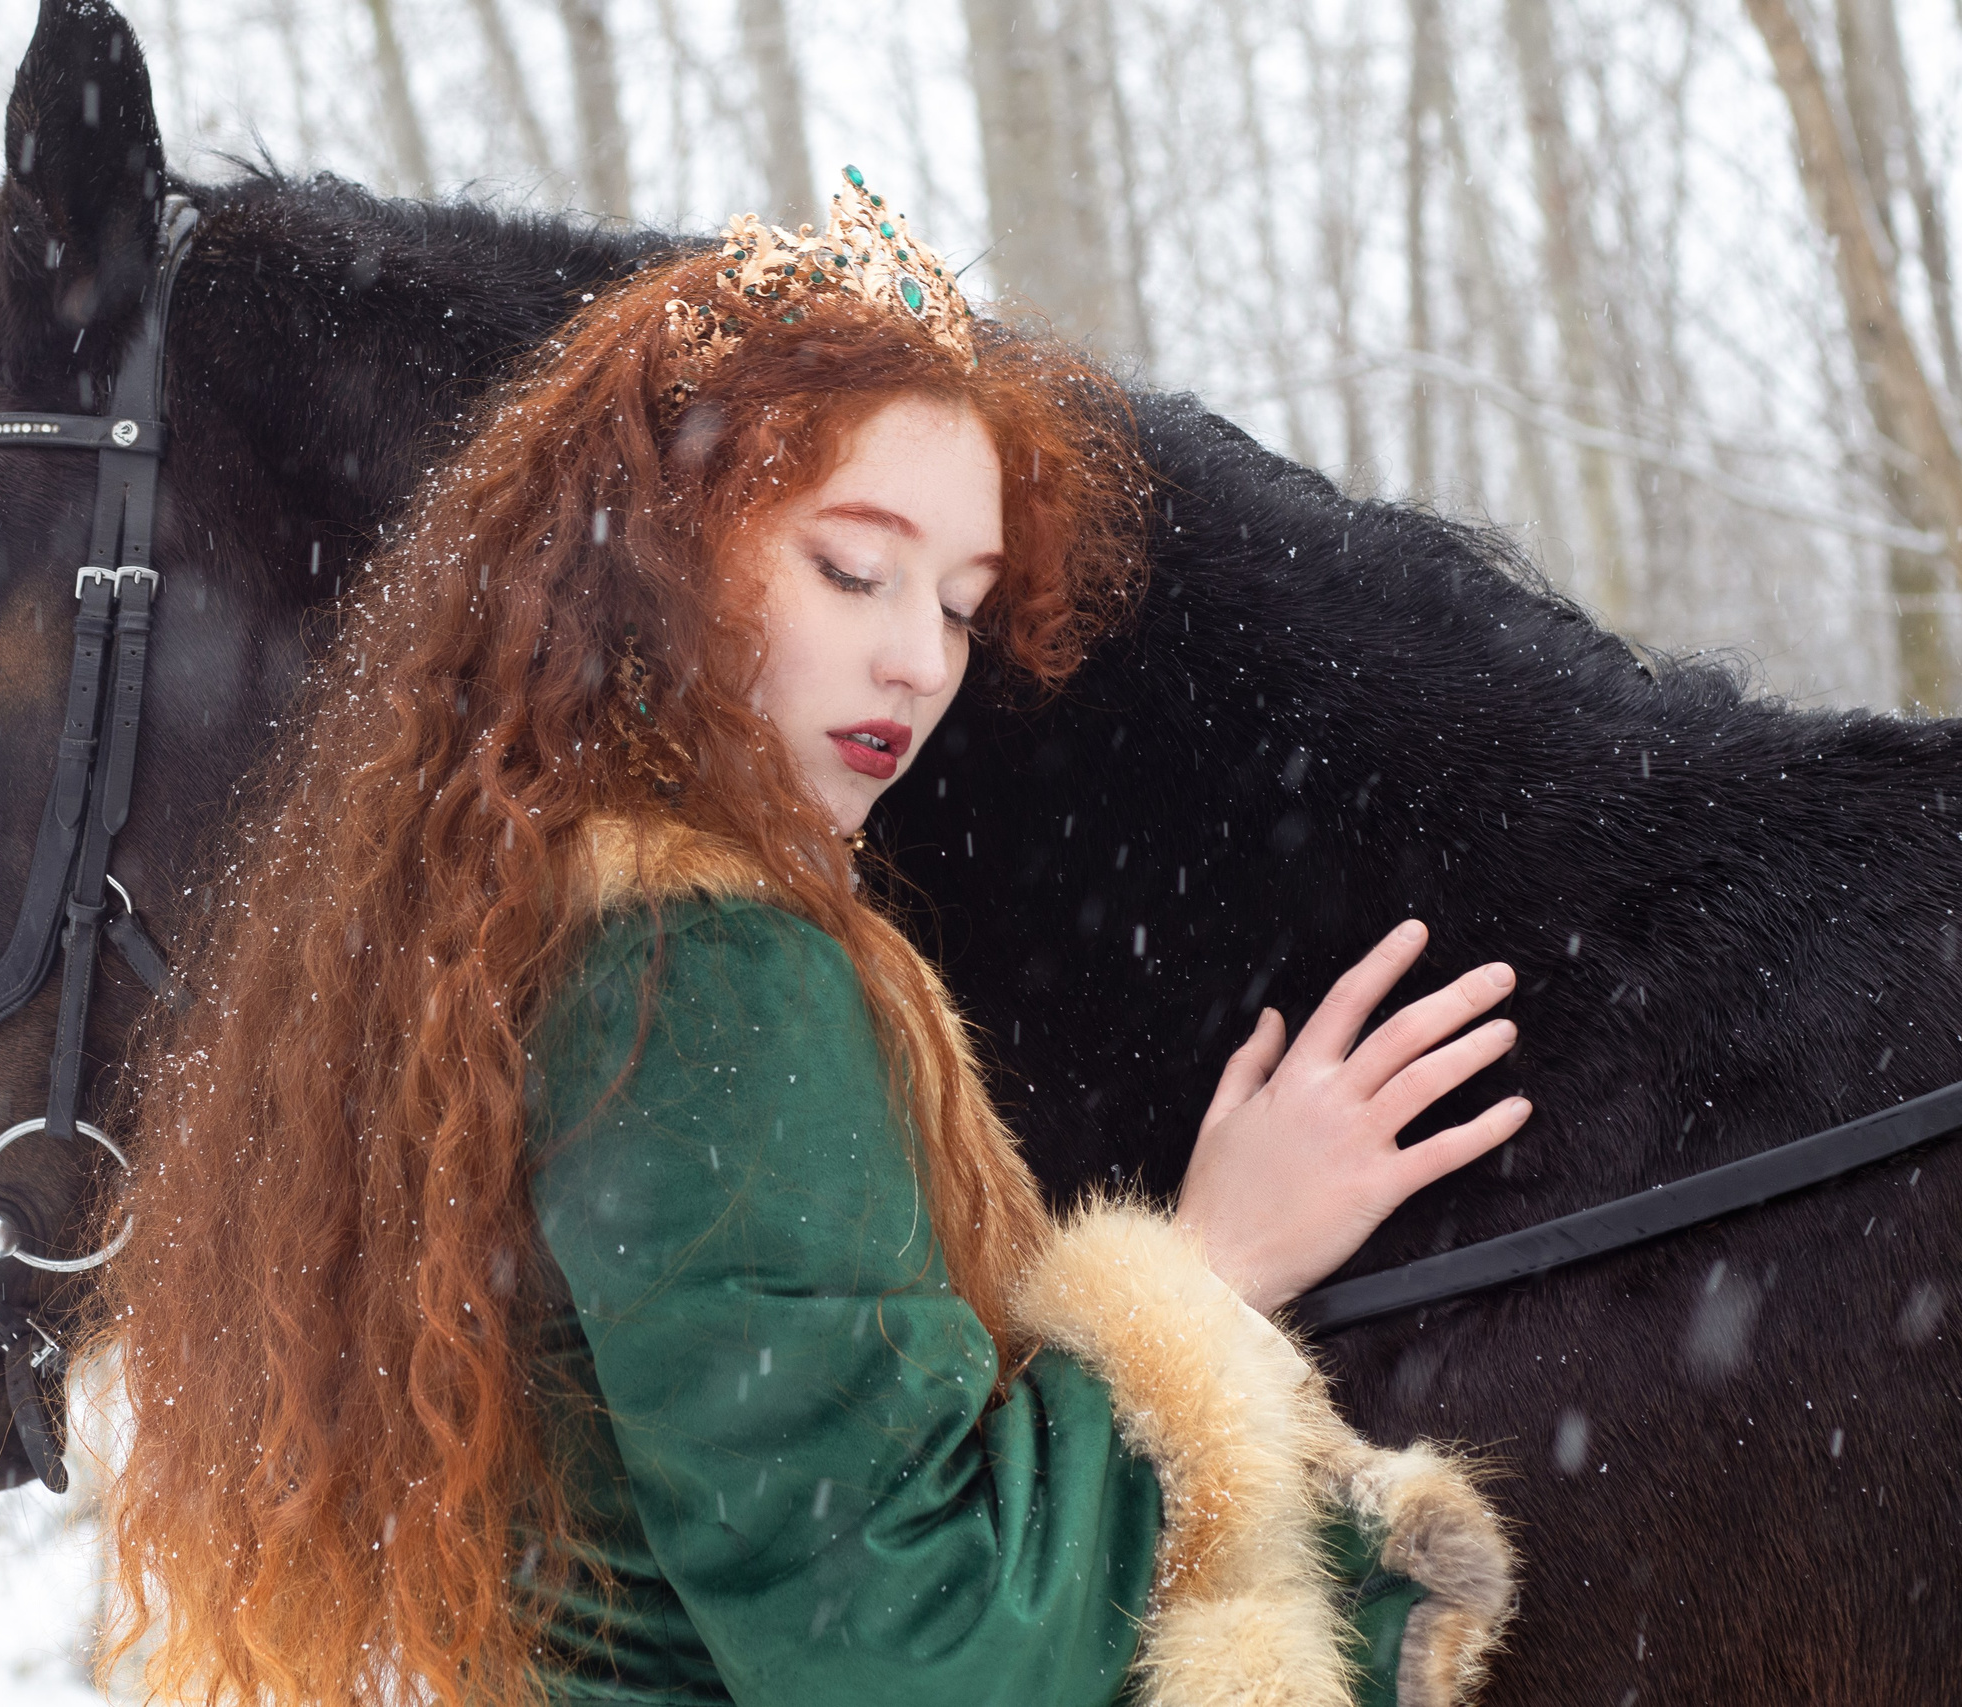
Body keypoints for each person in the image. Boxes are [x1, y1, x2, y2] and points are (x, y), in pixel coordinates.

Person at [95, 173, 1524, 1707]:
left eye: (961, 604)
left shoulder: (541, 919)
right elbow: (906, 1643)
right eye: (854, 570)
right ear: (662, 552)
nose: (918, 660)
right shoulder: (703, 974)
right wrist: (1214, 1270)